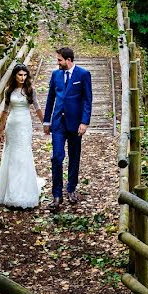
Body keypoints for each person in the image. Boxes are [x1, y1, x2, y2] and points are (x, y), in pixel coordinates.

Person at [43, 47, 92, 209]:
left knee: (74, 156)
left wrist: (84, 122)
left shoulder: (83, 74)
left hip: (75, 123)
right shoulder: (55, 75)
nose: (58, 62)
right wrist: (46, 121)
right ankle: (57, 195)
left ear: (68, 60)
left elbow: (87, 100)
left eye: (59, 60)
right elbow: (50, 98)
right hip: (58, 124)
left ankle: (71, 188)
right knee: (57, 157)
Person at [0, 63, 45, 209]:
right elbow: (4, 110)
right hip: (12, 125)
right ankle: (10, 191)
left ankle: (24, 192)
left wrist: (45, 123)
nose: (22, 78)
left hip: (25, 125)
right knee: (12, 156)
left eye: (24, 75)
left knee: (23, 155)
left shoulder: (30, 90)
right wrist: (1, 130)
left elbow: (37, 108)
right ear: (14, 76)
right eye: (19, 75)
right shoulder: (9, 91)